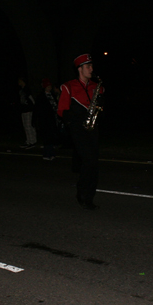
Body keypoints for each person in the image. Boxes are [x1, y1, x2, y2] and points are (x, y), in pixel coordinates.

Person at [58, 54, 104, 210]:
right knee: (89, 160)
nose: (91, 69)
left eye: (91, 66)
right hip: (78, 129)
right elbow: (62, 110)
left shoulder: (96, 86)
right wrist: (75, 122)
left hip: (93, 128)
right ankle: (83, 195)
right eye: (88, 66)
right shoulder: (68, 86)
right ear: (80, 69)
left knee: (94, 163)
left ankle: (89, 196)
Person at [35, 79, 60, 161]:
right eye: (47, 86)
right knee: (47, 137)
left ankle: (51, 153)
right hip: (45, 120)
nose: (49, 88)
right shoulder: (41, 97)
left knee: (51, 137)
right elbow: (39, 110)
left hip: (53, 119)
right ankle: (47, 154)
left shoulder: (52, 95)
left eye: (50, 86)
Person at [17, 77, 37, 149]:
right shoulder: (21, 90)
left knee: (29, 126)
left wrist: (33, 107)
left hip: (28, 110)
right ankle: (28, 141)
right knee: (25, 126)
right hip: (23, 110)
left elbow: (31, 98)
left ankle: (32, 141)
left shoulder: (27, 89)